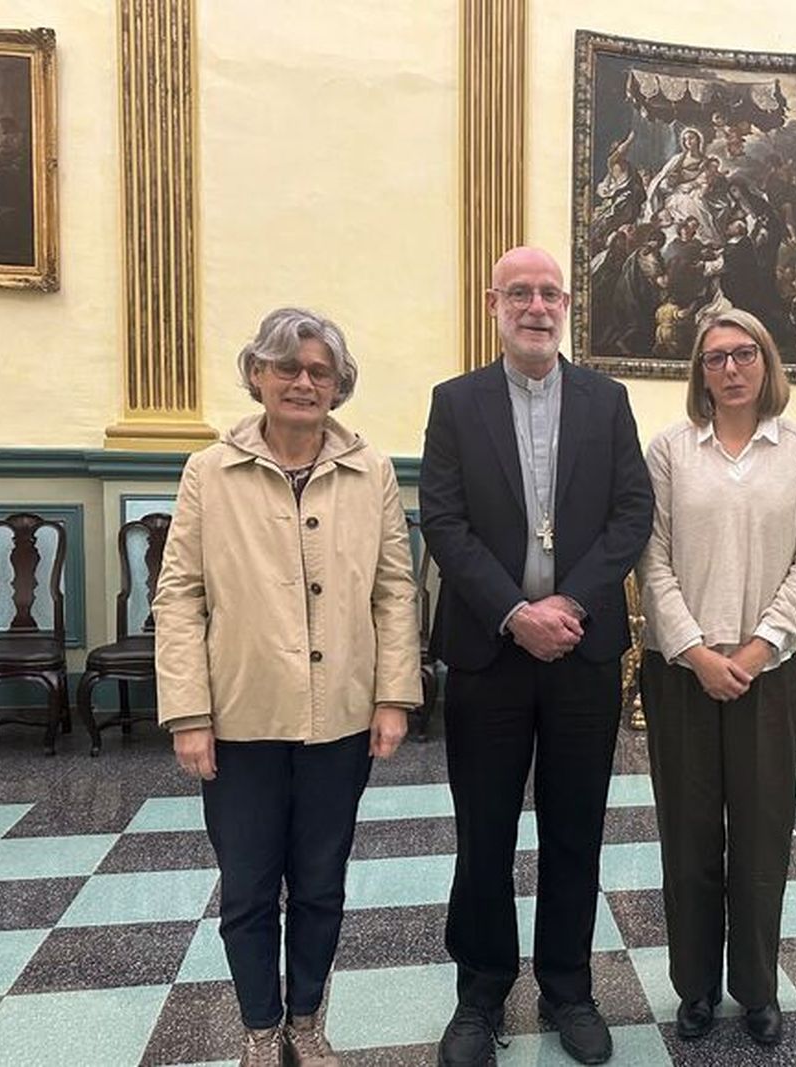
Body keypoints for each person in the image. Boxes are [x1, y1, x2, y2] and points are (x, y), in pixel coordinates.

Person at [155, 307, 422, 1067]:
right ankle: (260, 1029)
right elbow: (179, 595)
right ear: (257, 375)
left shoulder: (369, 469)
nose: (303, 382)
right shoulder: (209, 471)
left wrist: (392, 695)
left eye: (319, 371)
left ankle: (307, 1021)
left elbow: (394, 590)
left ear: (339, 386)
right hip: (238, 717)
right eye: (287, 367)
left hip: (341, 715)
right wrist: (188, 711)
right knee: (245, 888)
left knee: (320, 885)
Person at [419, 246, 654, 1067]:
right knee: (483, 830)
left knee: (576, 827)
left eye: (549, 292)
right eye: (519, 292)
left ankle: (568, 986)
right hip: (490, 650)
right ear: (494, 304)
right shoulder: (456, 402)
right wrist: (517, 611)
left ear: (566, 306)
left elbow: (632, 515)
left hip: (581, 649)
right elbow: (444, 522)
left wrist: (569, 605)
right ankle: (480, 993)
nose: (535, 305)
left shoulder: (608, 400)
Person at [637, 308, 796, 1046]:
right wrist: (694, 649)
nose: (730, 368)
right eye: (715, 357)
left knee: (760, 840)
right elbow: (650, 559)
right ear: (699, 372)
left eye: (743, 353)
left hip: (769, 675)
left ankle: (755, 988)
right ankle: (695, 988)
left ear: (766, 361)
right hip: (682, 672)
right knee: (687, 839)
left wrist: (753, 651)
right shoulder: (669, 451)